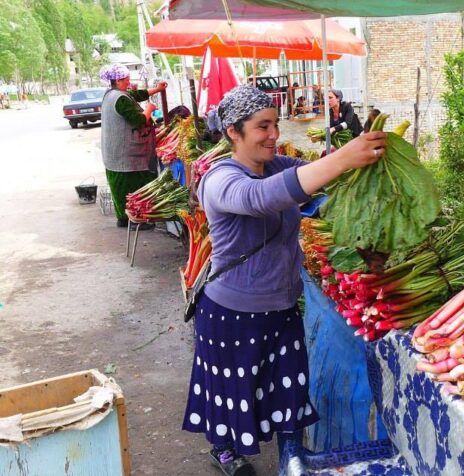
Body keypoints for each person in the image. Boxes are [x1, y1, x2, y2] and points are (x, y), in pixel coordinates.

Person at [182, 85, 386, 476]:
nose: (274, 134)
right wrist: (344, 158)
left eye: (275, 124)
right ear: (233, 133)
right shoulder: (220, 179)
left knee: (286, 390)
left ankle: (290, 456)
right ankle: (223, 450)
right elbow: (261, 198)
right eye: (263, 126)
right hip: (231, 312)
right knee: (232, 391)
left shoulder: (278, 167)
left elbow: (315, 190)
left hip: (282, 306)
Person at [99, 64, 167, 228]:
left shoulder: (112, 94)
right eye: (126, 79)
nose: (129, 82)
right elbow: (138, 120)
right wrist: (149, 109)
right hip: (126, 154)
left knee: (120, 189)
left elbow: (135, 95)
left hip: (114, 154)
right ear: (117, 81)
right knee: (134, 187)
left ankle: (123, 218)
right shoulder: (119, 99)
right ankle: (137, 220)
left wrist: (156, 90)